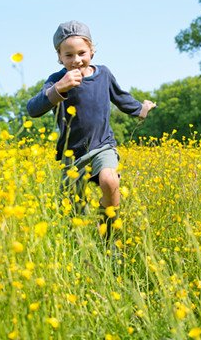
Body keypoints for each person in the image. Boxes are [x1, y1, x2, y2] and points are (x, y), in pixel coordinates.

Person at [27, 20, 156, 243]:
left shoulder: (103, 74)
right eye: (69, 55)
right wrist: (59, 89)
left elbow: (121, 97)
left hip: (103, 145)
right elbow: (33, 109)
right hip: (72, 155)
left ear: (92, 50)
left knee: (110, 181)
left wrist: (141, 110)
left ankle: (108, 232)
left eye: (81, 53)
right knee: (72, 213)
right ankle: (78, 249)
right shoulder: (57, 80)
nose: (76, 60)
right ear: (59, 57)